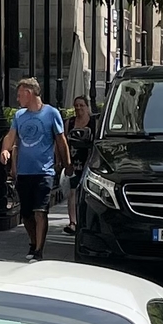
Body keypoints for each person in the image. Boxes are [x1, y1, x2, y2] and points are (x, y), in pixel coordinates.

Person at [0, 77, 68, 262]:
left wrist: (67, 164)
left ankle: (39, 249)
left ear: (29, 94)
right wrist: (5, 150)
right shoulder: (20, 116)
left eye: (20, 95)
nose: (18, 99)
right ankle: (33, 240)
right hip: (24, 172)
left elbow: (61, 140)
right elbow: (11, 136)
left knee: (40, 210)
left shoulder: (51, 113)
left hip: (44, 171)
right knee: (26, 213)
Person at [63, 93, 98, 230]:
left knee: (88, 191)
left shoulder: (95, 122)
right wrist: (63, 161)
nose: (78, 108)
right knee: (72, 191)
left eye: (81, 105)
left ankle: (86, 220)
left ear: (87, 107)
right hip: (73, 159)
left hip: (89, 159)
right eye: (76, 106)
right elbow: (63, 142)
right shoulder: (70, 122)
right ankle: (73, 222)